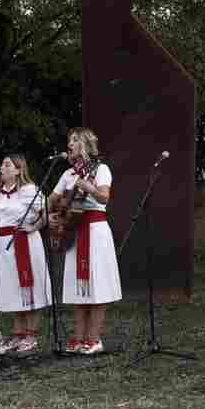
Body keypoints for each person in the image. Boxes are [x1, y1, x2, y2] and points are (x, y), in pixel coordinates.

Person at [48, 128, 121, 355]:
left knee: (96, 285)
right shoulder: (68, 174)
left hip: (96, 231)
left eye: (74, 140)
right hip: (74, 230)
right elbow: (51, 200)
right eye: (69, 140)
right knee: (77, 288)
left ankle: (94, 339)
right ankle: (78, 338)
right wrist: (51, 213)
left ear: (86, 145)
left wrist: (88, 187)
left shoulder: (101, 169)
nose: (69, 144)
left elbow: (104, 197)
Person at [0, 154, 52, 354]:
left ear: (18, 169)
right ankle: (18, 333)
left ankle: (31, 334)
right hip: (5, 246)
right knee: (13, 288)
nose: (2, 167)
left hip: (26, 243)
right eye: (2, 163)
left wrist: (33, 226)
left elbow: (46, 209)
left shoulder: (29, 190)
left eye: (7, 164)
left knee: (29, 287)